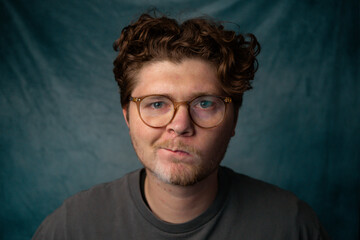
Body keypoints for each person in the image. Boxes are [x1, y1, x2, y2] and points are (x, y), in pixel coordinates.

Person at [32, 12, 330, 239]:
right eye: (157, 104)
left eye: (204, 104)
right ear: (127, 117)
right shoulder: (70, 228)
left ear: (234, 119)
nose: (180, 126)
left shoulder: (292, 225)